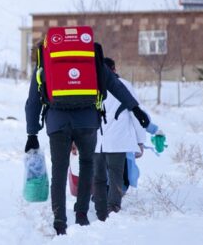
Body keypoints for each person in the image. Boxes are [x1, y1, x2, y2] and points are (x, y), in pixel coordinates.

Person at [24, 39, 154, 236]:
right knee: (87, 166)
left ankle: (59, 220)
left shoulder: (46, 61)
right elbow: (115, 85)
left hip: (57, 121)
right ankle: (82, 215)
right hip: (87, 121)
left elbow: (33, 101)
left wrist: (32, 133)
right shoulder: (90, 59)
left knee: (59, 170)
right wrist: (135, 109)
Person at [93, 57, 153, 222]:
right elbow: (136, 114)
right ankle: (113, 206)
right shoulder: (125, 86)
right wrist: (140, 141)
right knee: (115, 174)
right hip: (117, 140)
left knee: (98, 175)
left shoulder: (91, 85)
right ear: (113, 69)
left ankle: (99, 204)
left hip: (96, 140)